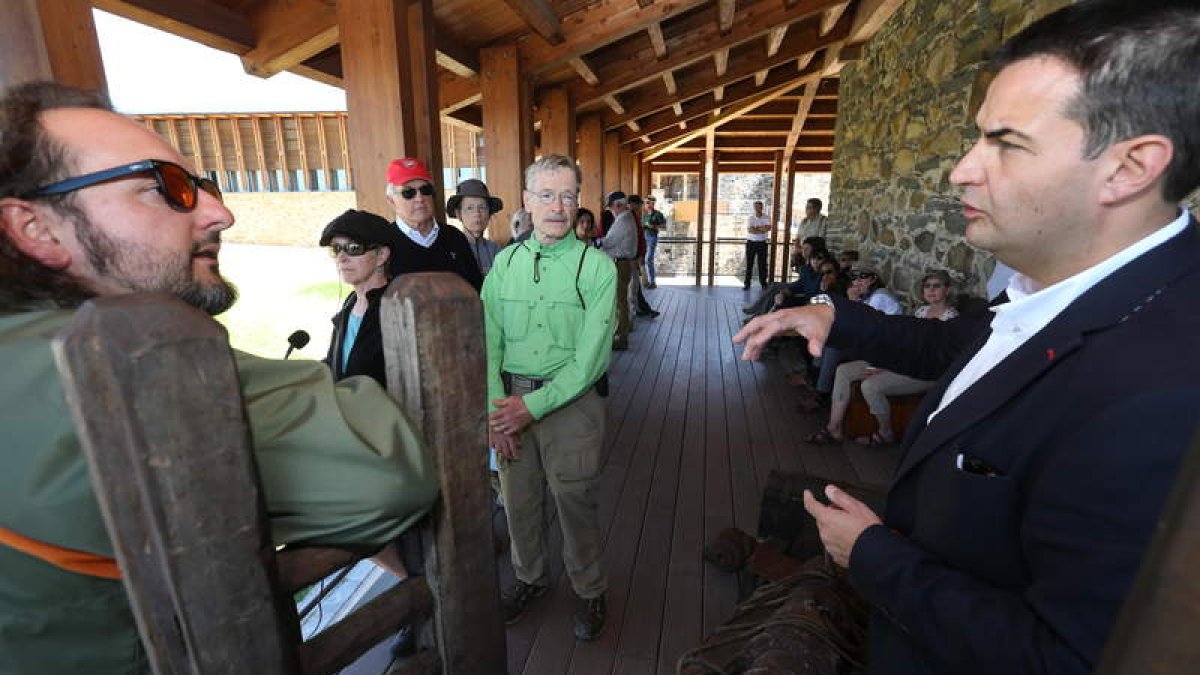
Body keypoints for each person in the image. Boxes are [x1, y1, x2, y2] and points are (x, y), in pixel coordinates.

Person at [735, 2, 1200, 672]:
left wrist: (873, 556)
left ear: (1130, 169)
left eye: (1006, 143)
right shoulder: (1064, 287)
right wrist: (839, 316)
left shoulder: (1166, 393)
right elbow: (963, 349)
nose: (961, 170)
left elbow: (1066, 656)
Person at [0, 82, 438, 672]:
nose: (220, 212)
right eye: (165, 187)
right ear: (36, 228)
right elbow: (387, 470)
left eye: (203, 185)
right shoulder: (108, 369)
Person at [481, 154, 617, 642]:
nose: (556, 207)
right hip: (509, 400)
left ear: (578, 202)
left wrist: (530, 408)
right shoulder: (504, 264)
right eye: (546, 195)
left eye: (566, 195)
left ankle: (589, 589)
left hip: (572, 405)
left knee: (574, 501)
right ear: (526, 202)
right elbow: (488, 340)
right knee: (518, 501)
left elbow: (590, 359)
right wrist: (500, 413)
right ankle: (530, 579)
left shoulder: (596, 267)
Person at [804, 271, 958, 447]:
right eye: (927, 286)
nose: (931, 290)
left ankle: (885, 433)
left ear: (947, 290)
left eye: (937, 285)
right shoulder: (921, 312)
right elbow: (905, 344)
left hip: (926, 372)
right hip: (901, 362)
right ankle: (834, 428)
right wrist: (886, 362)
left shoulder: (951, 319)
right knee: (843, 371)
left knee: (870, 386)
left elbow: (932, 356)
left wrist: (888, 366)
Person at [319, 209, 397, 387]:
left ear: (381, 256)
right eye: (336, 249)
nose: (341, 257)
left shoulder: (396, 305)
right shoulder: (351, 302)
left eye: (353, 248)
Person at [384, 157, 483, 290]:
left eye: (425, 190)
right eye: (408, 193)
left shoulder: (454, 237)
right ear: (391, 201)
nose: (419, 198)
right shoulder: (384, 244)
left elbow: (477, 290)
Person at [600, 190, 637, 350]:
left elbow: (608, 243)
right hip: (624, 263)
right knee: (622, 301)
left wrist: (593, 240)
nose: (612, 210)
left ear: (618, 205)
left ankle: (621, 337)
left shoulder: (623, 220)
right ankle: (624, 330)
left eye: (612, 207)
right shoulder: (627, 218)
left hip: (619, 263)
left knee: (619, 302)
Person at [448, 178, 503, 276]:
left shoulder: (496, 250)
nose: (477, 213)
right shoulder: (450, 250)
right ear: (459, 214)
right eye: (470, 208)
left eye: (482, 207)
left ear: (489, 213)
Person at [743, 200, 771, 289]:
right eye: (755, 207)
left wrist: (756, 229)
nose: (757, 208)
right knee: (749, 264)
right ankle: (747, 284)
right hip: (751, 243)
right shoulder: (751, 218)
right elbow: (750, 230)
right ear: (754, 208)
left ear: (762, 207)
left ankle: (763, 284)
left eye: (759, 207)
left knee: (762, 264)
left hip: (762, 243)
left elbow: (768, 228)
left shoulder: (767, 217)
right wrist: (761, 229)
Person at [643, 195, 666, 288]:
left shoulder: (658, 214)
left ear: (653, 203)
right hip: (644, 237)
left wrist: (654, 226)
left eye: (650, 203)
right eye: (646, 203)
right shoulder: (645, 215)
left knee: (648, 259)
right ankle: (646, 281)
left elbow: (664, 227)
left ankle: (652, 282)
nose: (648, 204)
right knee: (644, 260)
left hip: (652, 237)